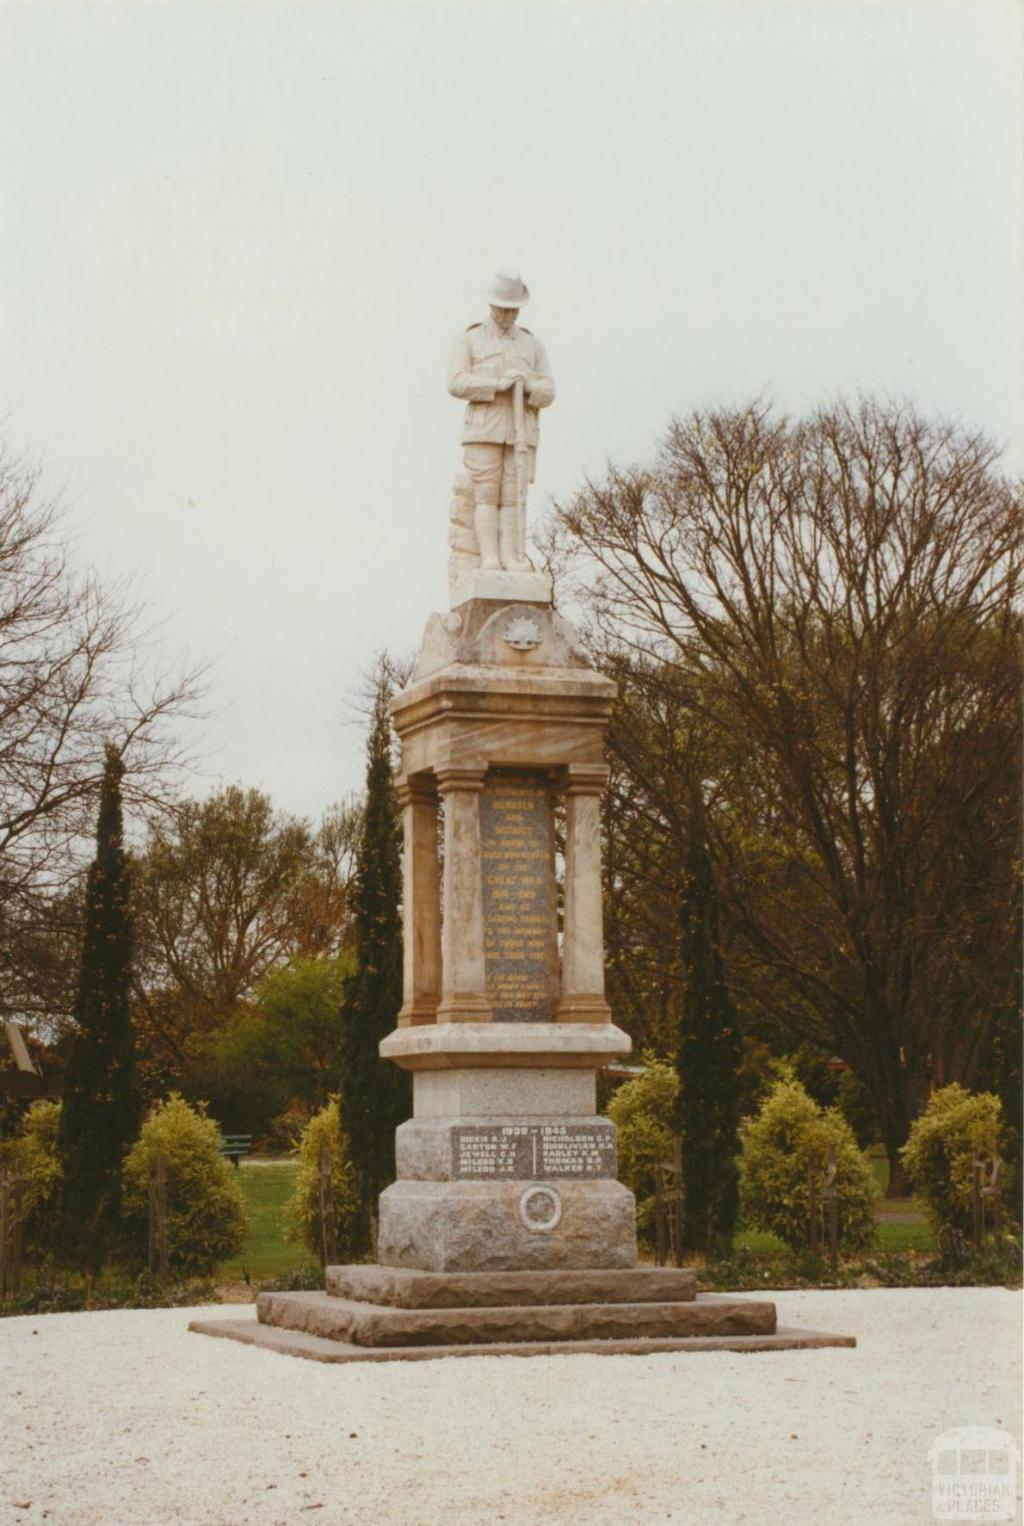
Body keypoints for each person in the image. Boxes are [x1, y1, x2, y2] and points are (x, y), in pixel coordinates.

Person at [447, 271, 555, 573]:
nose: (508, 314)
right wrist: (497, 383)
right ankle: (490, 558)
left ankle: (511, 558)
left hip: (521, 432)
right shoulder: (469, 338)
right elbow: (456, 382)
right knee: (485, 495)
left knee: (513, 496)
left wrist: (530, 385)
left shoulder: (531, 344)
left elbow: (549, 389)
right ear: (491, 305)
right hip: (484, 429)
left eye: (513, 308)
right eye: (502, 307)